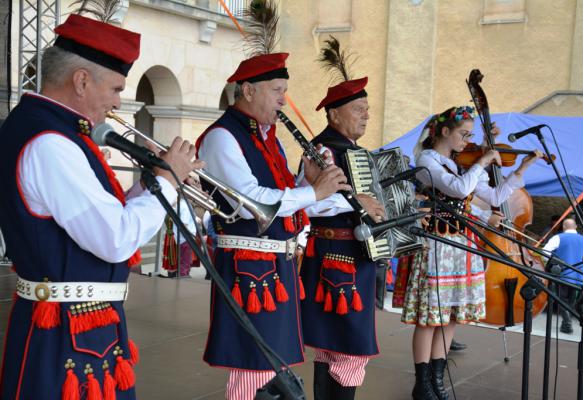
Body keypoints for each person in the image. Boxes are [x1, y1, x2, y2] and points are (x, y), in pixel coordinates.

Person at [0, 14, 201, 399]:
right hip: (67, 336)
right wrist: (167, 180)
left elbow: (101, 219)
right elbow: (116, 239)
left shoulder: (51, 130)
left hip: (82, 329)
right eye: (115, 88)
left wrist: (150, 183)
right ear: (81, 81)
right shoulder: (51, 143)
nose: (116, 102)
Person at [196, 52, 352, 400]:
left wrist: (309, 180)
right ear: (248, 90)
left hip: (275, 267)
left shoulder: (267, 137)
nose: (284, 99)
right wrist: (313, 190)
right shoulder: (223, 136)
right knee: (253, 366)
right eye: (277, 89)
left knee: (272, 365)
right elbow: (252, 202)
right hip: (248, 268)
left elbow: (283, 196)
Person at [402, 106, 541, 400]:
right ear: (444, 132)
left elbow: (495, 197)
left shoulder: (459, 163)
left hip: (461, 246)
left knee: (451, 315)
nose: (467, 141)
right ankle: (422, 383)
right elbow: (456, 189)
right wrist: (483, 161)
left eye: (469, 135)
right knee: (430, 318)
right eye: (463, 134)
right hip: (437, 245)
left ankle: (437, 381)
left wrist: (521, 169)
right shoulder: (429, 160)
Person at [299, 75, 385, 400]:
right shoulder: (322, 150)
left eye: (367, 108)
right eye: (358, 109)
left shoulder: (354, 151)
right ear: (334, 114)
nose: (366, 115)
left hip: (351, 255)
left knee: (337, 345)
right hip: (335, 257)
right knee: (347, 345)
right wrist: (355, 203)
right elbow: (305, 202)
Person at [543, 217, 583, 334]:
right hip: (579, 276)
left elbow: (545, 252)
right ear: (575, 227)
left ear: (564, 227)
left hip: (562, 274)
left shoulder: (558, 237)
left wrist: (552, 264)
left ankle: (567, 322)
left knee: (561, 299)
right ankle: (566, 323)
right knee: (570, 301)